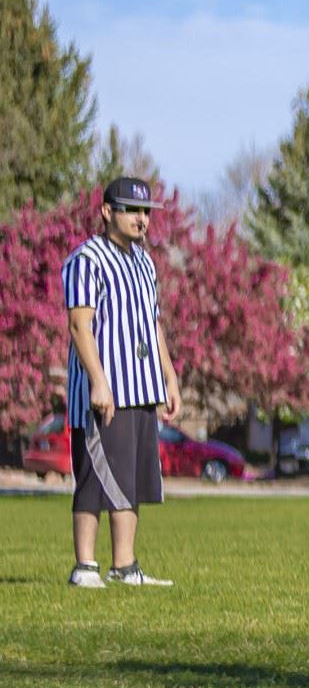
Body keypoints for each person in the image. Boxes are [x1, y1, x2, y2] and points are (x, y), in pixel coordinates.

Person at [61, 177, 181, 588]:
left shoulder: (144, 262)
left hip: (141, 388)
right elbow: (80, 324)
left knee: (131, 479)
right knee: (96, 477)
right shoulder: (87, 259)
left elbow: (153, 322)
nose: (141, 219)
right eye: (132, 210)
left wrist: (169, 376)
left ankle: (126, 567)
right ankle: (85, 566)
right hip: (105, 391)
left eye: (145, 212)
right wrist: (97, 380)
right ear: (108, 212)